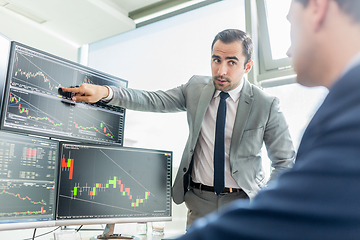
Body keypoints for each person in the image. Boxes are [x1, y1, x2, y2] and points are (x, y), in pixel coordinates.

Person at [62, 29, 295, 226]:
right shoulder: (195, 88)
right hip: (199, 200)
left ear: (247, 66)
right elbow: (153, 100)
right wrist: (107, 93)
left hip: (243, 201)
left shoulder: (266, 104)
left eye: (231, 62)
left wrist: (265, 201)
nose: (221, 70)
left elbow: (284, 161)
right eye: (216, 60)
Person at [169, 0, 360, 239]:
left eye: (292, 24)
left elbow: (300, 202)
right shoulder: (343, 101)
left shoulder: (351, 107)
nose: (289, 51)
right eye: (217, 60)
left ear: (317, 9)